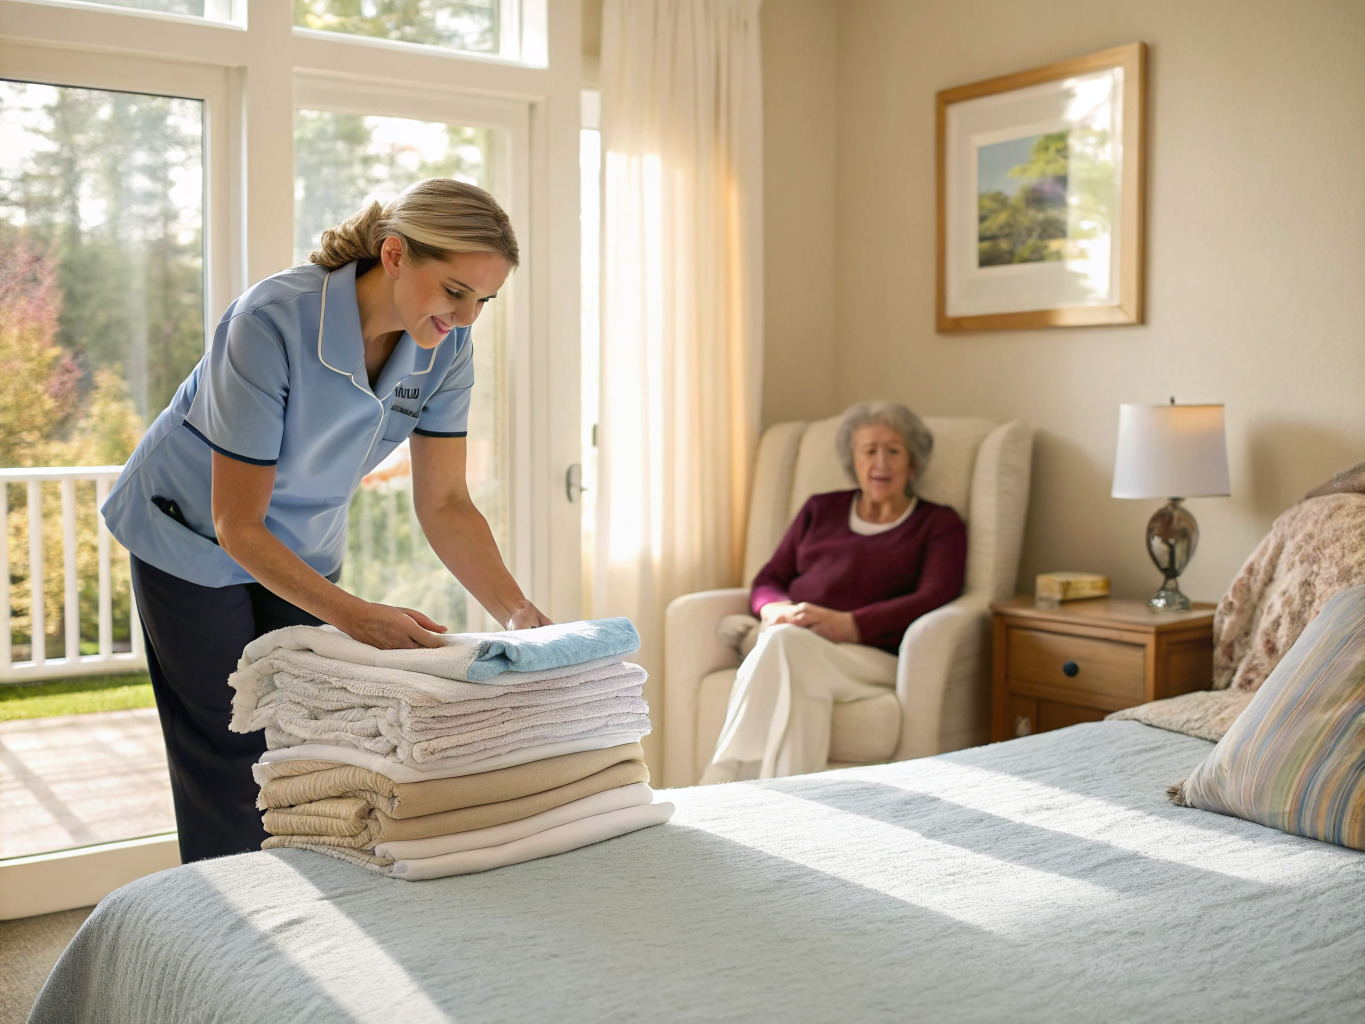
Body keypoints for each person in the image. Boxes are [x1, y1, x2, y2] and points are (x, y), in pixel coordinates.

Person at [102, 179, 550, 862]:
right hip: (191, 531)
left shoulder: (444, 347)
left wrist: (518, 613)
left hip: (303, 541)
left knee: (311, 737)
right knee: (230, 740)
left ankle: (311, 911)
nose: (466, 318)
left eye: (483, 301)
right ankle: (227, 926)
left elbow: (446, 503)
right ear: (394, 254)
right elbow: (237, 521)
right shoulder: (272, 319)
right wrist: (354, 615)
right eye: (455, 291)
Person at [700, 401, 966, 783]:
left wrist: (851, 624)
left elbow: (935, 596)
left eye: (893, 451)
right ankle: (794, 807)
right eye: (869, 450)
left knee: (783, 645)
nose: (881, 463)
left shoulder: (938, 523)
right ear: (852, 459)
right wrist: (774, 608)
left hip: (873, 656)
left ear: (914, 463)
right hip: (800, 643)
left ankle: (721, 776)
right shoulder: (819, 510)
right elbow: (768, 578)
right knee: (795, 669)